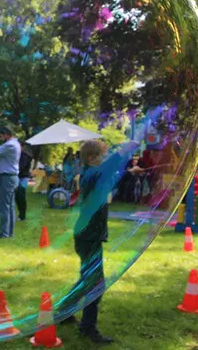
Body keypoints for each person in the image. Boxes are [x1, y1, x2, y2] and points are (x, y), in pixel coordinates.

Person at [60, 138, 139, 344]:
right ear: (93, 158)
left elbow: (108, 177)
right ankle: (87, 327)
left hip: (87, 235)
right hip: (88, 237)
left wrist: (129, 172)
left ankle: (63, 311)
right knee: (96, 283)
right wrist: (123, 151)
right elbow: (107, 169)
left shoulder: (92, 174)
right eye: (102, 157)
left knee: (88, 279)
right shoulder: (90, 174)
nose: (105, 160)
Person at [16, 143, 34, 221]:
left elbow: (21, 166)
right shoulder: (17, 154)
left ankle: (22, 215)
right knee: (17, 196)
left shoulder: (25, 155)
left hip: (24, 177)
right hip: (18, 176)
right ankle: (21, 214)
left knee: (21, 192)